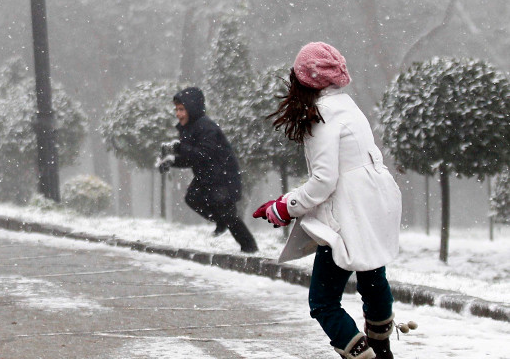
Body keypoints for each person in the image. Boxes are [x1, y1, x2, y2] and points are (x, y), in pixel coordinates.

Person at [253, 42, 401, 359]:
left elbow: (324, 181)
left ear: (303, 79)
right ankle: (381, 348)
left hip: (345, 216)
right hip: (374, 206)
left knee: (323, 301)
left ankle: (363, 354)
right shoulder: (348, 106)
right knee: (373, 281)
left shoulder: (321, 115)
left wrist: (284, 207)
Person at [157, 87, 259, 253]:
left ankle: (249, 247)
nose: (178, 114)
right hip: (207, 176)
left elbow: (205, 154)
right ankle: (221, 222)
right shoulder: (189, 128)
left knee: (228, 213)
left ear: (192, 108)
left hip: (223, 176)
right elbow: (192, 157)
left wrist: (179, 148)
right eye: (176, 110)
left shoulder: (206, 127)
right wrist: (172, 160)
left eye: (181, 109)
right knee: (192, 198)